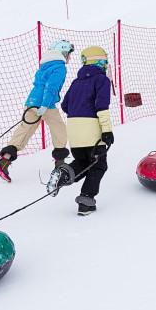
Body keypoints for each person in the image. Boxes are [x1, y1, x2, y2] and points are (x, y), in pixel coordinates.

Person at [0, 39, 73, 182]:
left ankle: (4, 162)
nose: (69, 57)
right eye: (68, 54)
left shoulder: (45, 66)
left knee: (24, 131)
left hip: (31, 102)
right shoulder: (59, 67)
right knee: (59, 130)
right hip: (46, 104)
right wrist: (45, 105)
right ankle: (60, 163)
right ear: (63, 53)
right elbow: (51, 87)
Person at [60, 45, 114, 216]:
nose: (106, 65)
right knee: (99, 165)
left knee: (83, 162)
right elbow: (102, 107)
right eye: (105, 61)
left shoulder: (76, 82)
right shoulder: (102, 80)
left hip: (74, 130)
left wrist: (79, 114)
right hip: (92, 130)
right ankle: (86, 200)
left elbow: (65, 105)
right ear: (99, 62)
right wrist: (106, 131)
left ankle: (63, 174)